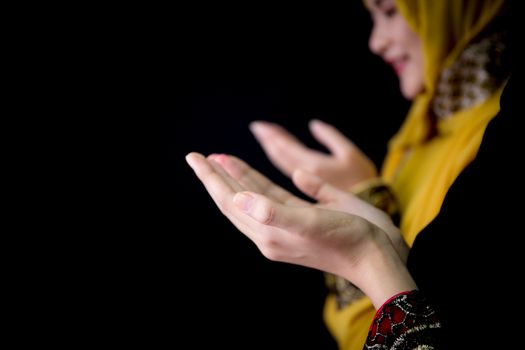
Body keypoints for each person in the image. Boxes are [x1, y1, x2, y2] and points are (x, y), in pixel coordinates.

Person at [186, 0, 512, 347]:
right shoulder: (421, 126)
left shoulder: (485, 140)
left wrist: (365, 224)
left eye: (390, 12)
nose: (376, 42)